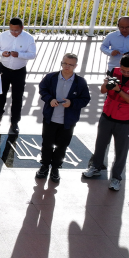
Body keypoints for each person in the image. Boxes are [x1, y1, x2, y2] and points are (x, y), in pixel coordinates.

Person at [84, 55, 129, 191]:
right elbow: (103, 90)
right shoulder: (114, 71)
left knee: (121, 151)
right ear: (120, 65)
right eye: (123, 70)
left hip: (125, 120)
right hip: (107, 115)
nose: (125, 73)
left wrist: (118, 90)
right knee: (100, 144)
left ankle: (116, 178)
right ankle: (95, 167)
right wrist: (106, 84)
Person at [36, 53, 92, 182]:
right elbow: (42, 89)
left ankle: (55, 168)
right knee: (47, 144)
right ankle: (44, 166)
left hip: (68, 121)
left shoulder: (80, 82)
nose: (67, 66)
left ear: (75, 66)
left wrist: (72, 103)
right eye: (65, 63)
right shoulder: (51, 77)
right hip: (50, 118)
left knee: (62, 146)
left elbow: (85, 99)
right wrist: (50, 99)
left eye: (70, 64)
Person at [0, 18, 37, 135]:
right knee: (1, 93)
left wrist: (19, 55)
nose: (14, 33)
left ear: (22, 28)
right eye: (11, 30)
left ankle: (15, 121)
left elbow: (33, 54)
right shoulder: (3, 36)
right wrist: (2, 53)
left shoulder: (29, 38)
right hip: (4, 69)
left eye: (16, 31)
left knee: (17, 97)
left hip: (19, 71)